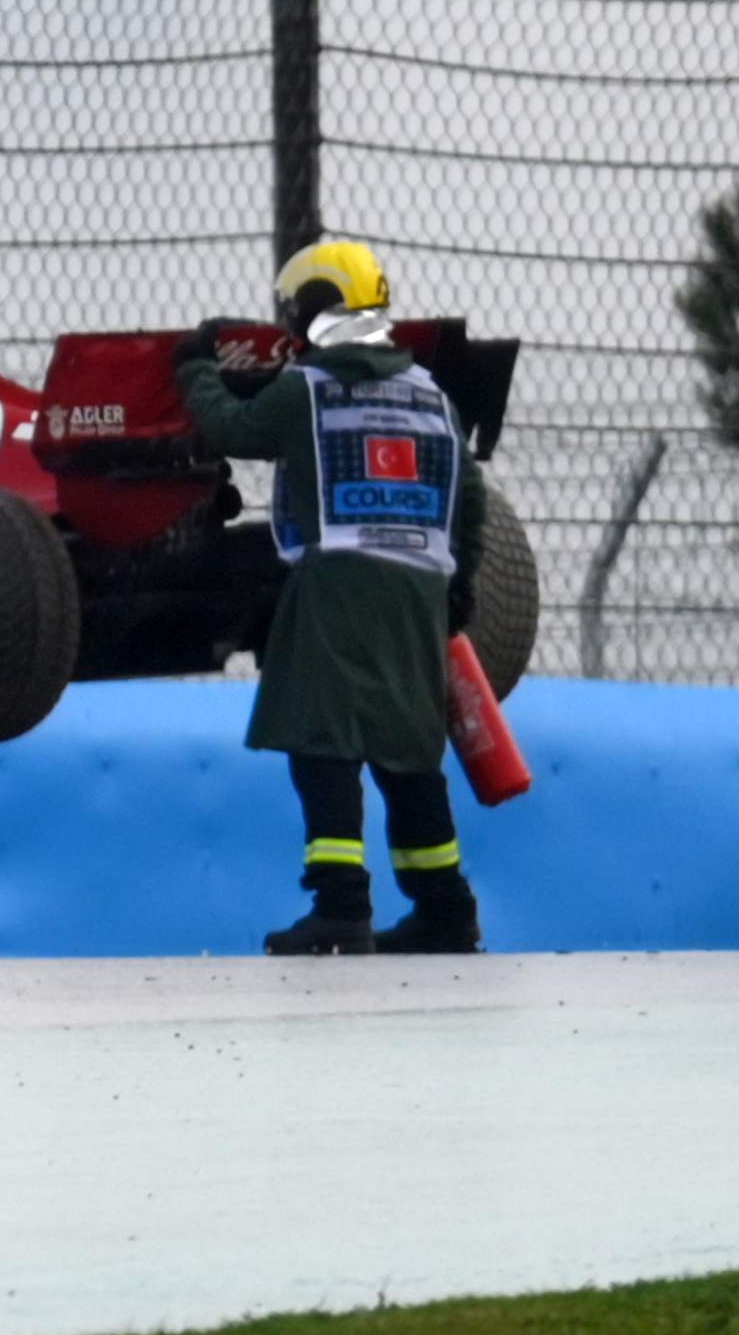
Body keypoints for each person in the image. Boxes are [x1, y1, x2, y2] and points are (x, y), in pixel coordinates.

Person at [179, 238, 507, 957]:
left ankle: (340, 908)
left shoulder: (308, 389)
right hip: (420, 589)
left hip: (336, 587)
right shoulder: (431, 395)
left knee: (322, 743)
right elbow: (471, 500)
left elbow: (235, 429)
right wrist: (456, 588)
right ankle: (446, 909)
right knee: (406, 752)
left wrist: (196, 369)